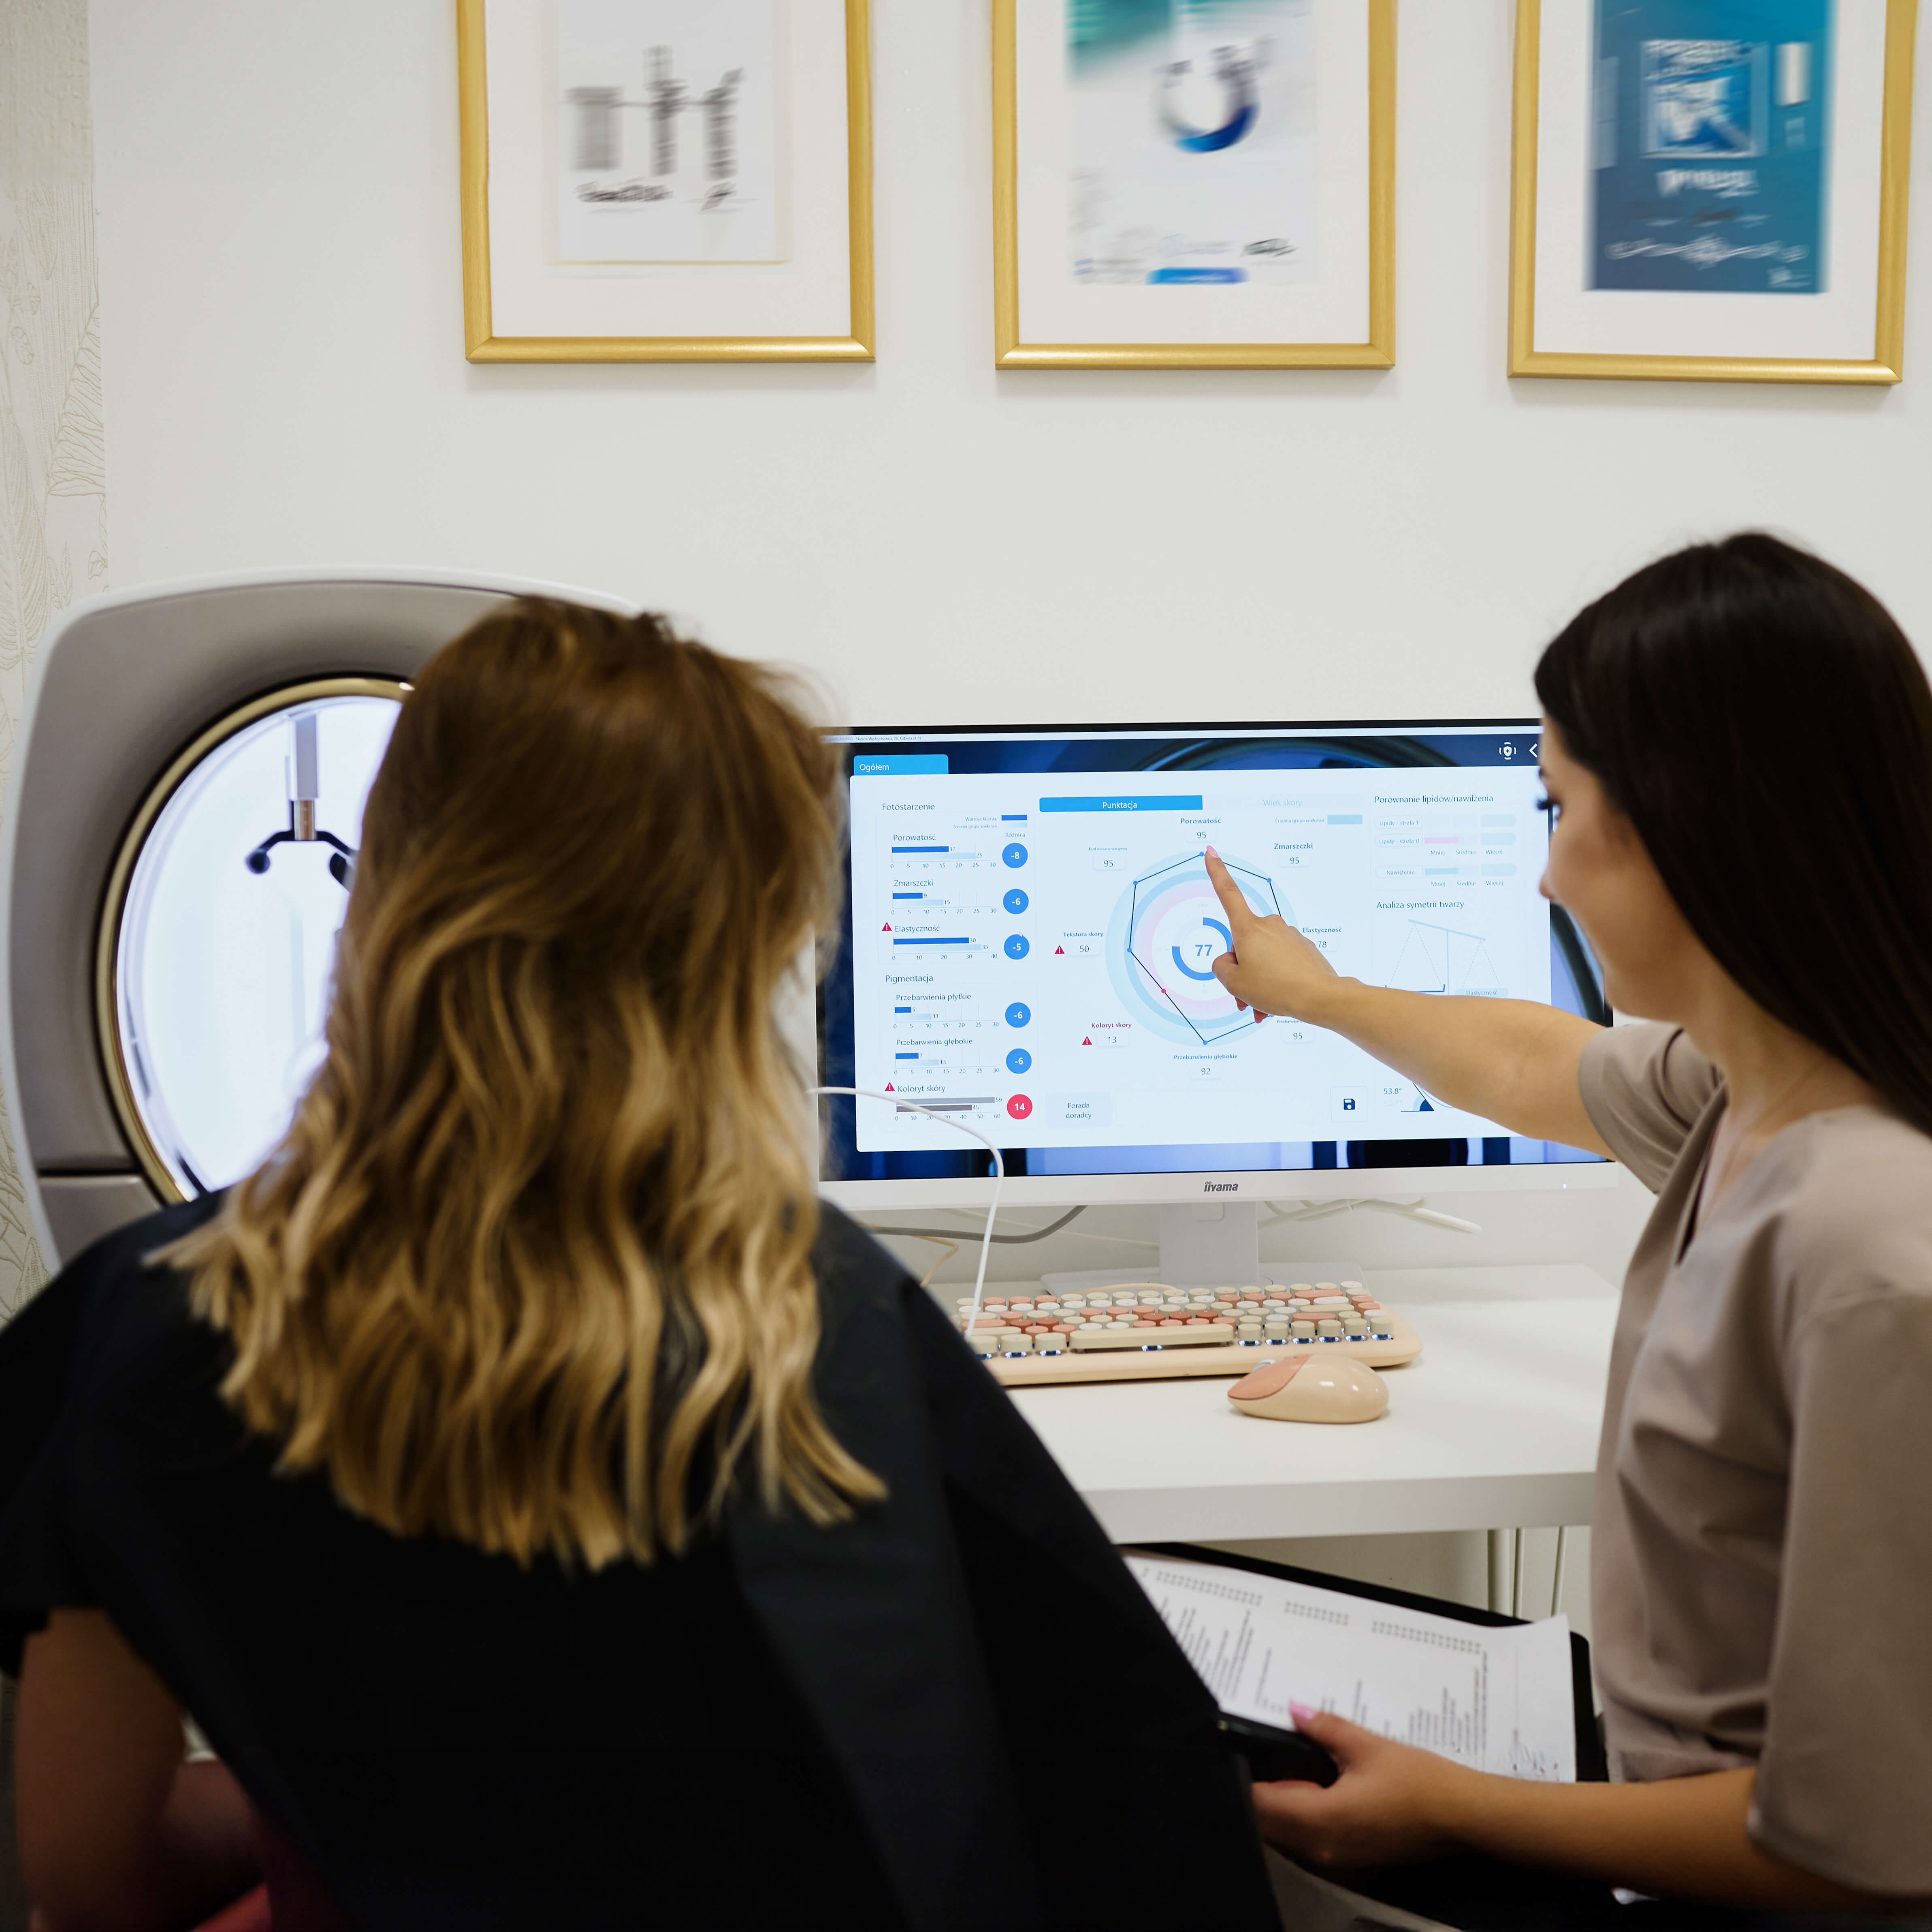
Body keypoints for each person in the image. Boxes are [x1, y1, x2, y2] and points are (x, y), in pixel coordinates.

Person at [0, 602, 1285, 1932]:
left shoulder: (149, 1328)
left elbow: (89, 1884)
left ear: (385, 890)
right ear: (720, 971)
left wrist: (341, 1803)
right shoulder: (821, 1321)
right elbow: (1132, 1786)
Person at [1205, 534, 1932, 1928]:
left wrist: (1452, 1803)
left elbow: (1865, 1843)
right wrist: (1314, 993)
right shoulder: (1747, 1084)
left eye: (1557, 809)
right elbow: (1536, 1064)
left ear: (1683, 826)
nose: (1544, 877)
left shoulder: (1865, 1244)